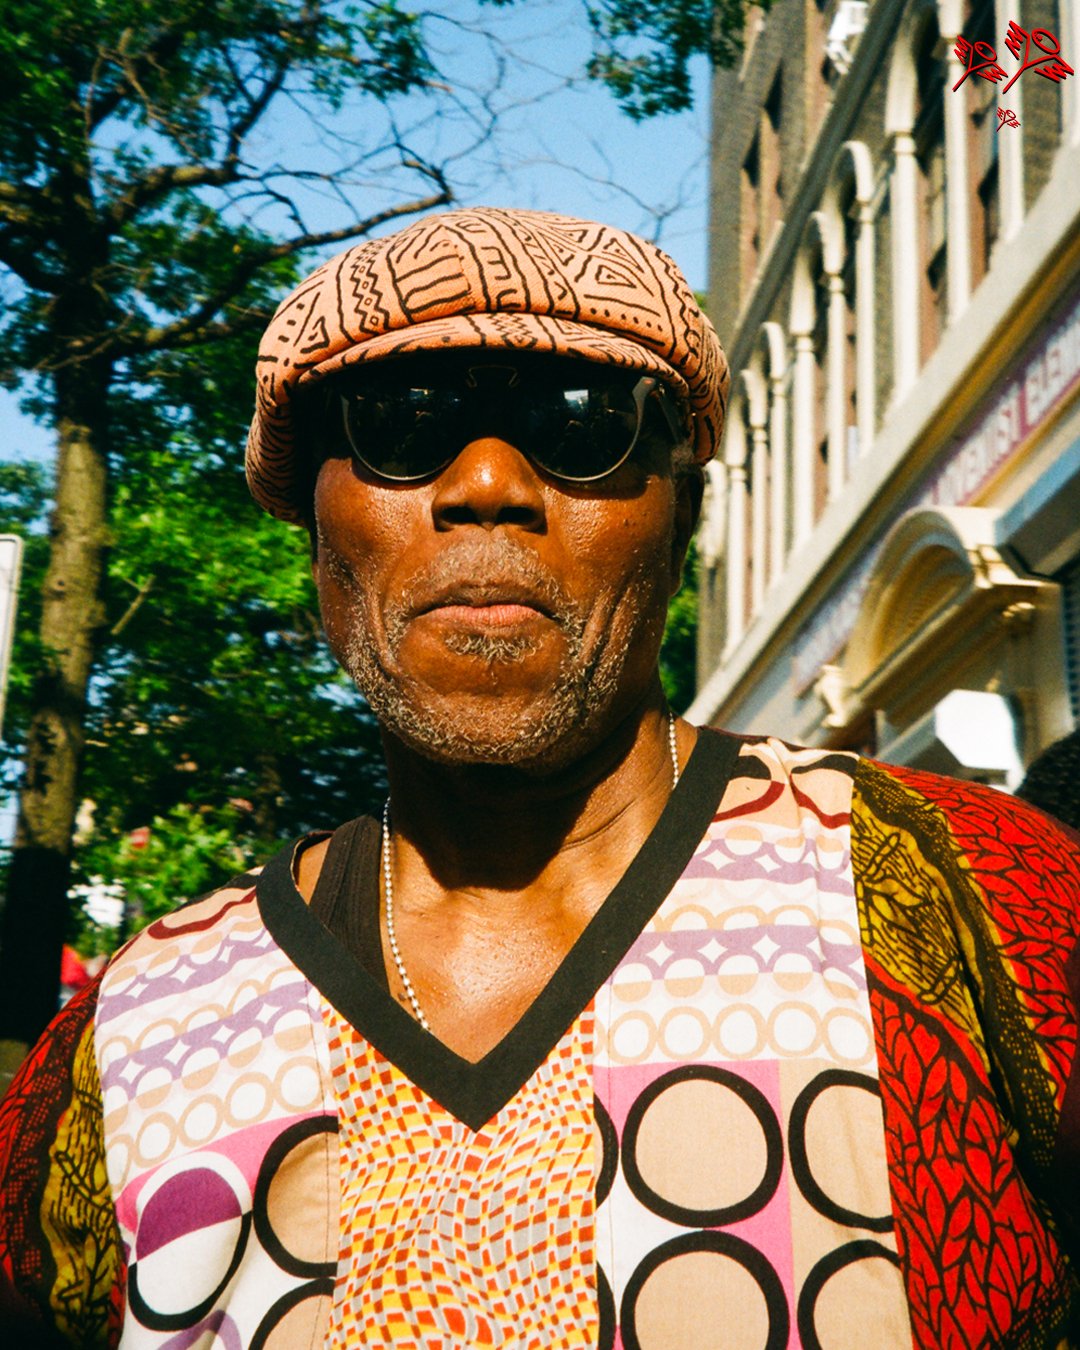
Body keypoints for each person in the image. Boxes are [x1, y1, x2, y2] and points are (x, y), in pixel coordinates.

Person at [1, 206, 1079, 1349]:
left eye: (580, 422)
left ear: (682, 515)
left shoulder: (972, 892)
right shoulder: (136, 1029)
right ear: (312, 519)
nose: (486, 483)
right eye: (401, 422)